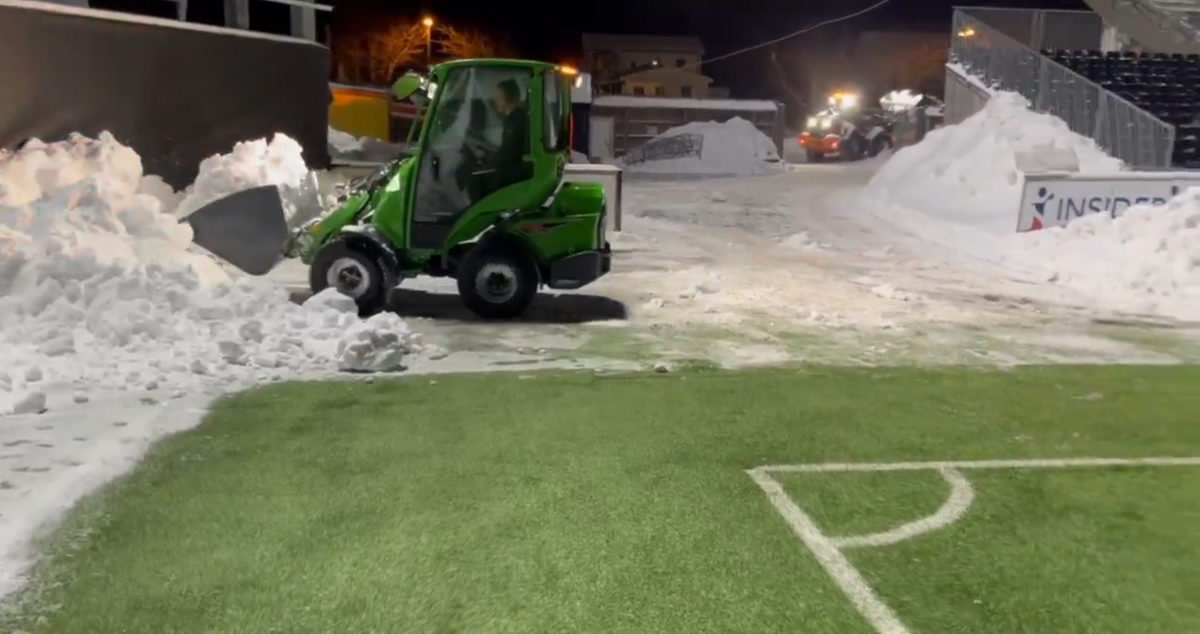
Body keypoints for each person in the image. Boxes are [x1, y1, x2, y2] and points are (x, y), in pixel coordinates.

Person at [485, 78, 532, 191]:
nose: (496, 101)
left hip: (512, 173)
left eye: (498, 97)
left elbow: (510, 151)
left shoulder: (517, 120)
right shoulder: (513, 119)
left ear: (507, 98)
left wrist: (489, 163)